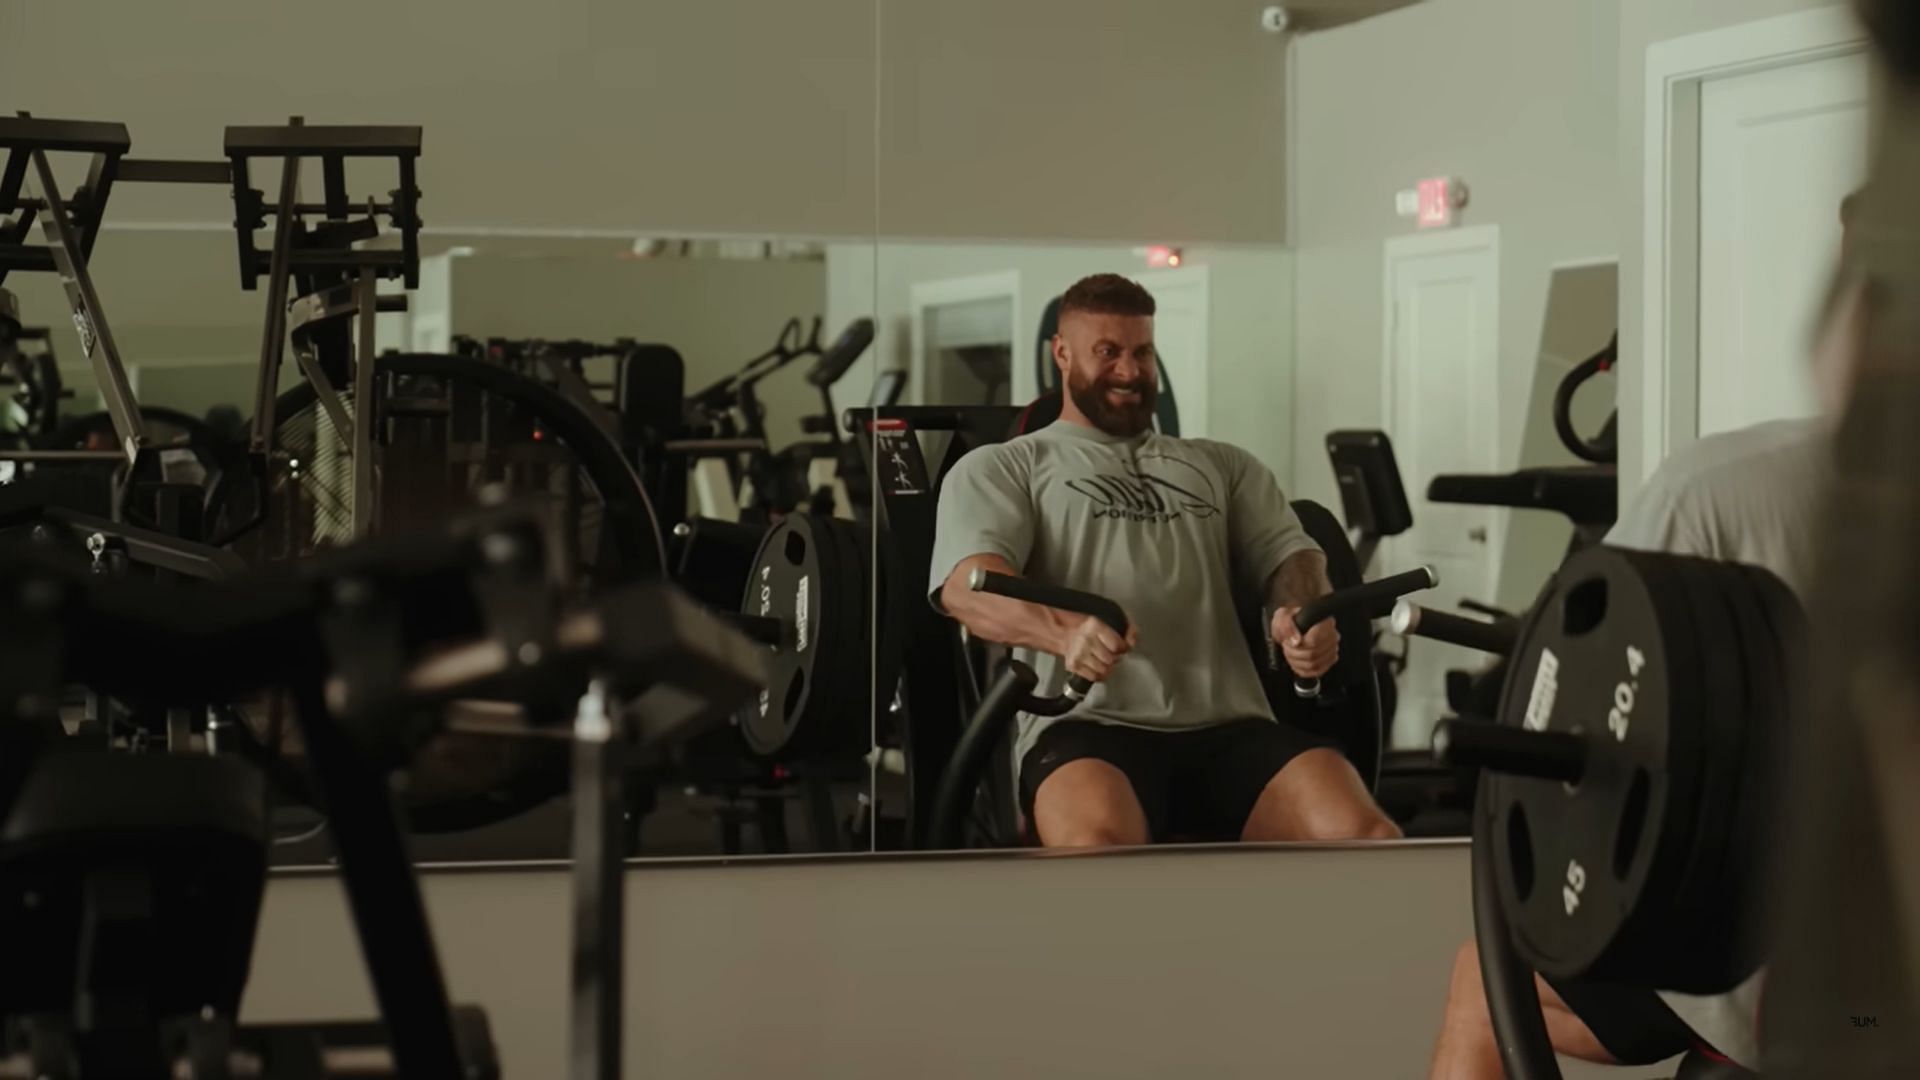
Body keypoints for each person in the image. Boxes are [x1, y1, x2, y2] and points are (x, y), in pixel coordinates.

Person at [1426, 191, 1871, 1078]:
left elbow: (1581, 739)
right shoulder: (1734, 491)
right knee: (1486, 982)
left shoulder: (1724, 491)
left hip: (1777, 981)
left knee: (1488, 982)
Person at [928, 272, 1400, 847]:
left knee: (1367, 836)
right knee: (1102, 858)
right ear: (1062, 354)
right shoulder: (1007, 466)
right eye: (1107, 352)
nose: (1129, 371)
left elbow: (1292, 557)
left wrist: (1302, 616)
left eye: (1142, 352)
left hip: (1232, 727)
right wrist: (1064, 634)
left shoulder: (1223, 465)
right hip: (1087, 729)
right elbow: (967, 589)